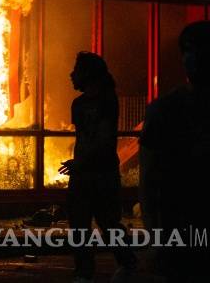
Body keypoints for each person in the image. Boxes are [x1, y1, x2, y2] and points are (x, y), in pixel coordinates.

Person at [139, 21, 210, 282]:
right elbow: (150, 182)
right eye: (189, 50)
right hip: (187, 237)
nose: (195, 58)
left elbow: (149, 181)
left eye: (204, 51)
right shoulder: (164, 111)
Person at [58, 52, 136, 283]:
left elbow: (102, 139)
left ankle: (127, 262)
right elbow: (84, 138)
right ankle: (84, 272)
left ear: (89, 74)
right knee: (79, 224)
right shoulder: (79, 103)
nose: (72, 75)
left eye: (77, 70)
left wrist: (80, 162)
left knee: (107, 221)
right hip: (83, 174)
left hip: (101, 173)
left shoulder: (106, 101)